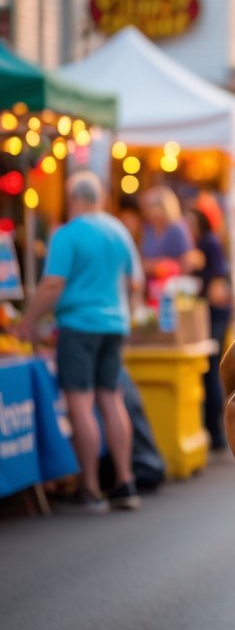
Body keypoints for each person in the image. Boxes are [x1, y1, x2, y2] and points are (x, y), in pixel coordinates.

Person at [14, 171, 144, 513]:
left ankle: (90, 487)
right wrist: (124, 314)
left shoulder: (67, 234)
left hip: (78, 327)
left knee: (81, 403)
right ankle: (125, 480)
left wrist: (27, 321)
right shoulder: (118, 230)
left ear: (73, 199)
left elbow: (52, 284)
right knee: (111, 399)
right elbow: (135, 283)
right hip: (114, 326)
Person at [184, 205, 231, 450]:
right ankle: (213, 430)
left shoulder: (208, 243)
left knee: (211, 369)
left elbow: (215, 283)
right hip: (212, 313)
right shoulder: (203, 244)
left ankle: (215, 431)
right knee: (210, 370)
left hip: (213, 314)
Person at [138, 186, 194, 297]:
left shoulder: (177, 229)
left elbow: (187, 260)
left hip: (173, 288)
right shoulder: (148, 229)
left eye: (151, 206)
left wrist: (164, 266)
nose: (147, 211)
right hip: (152, 288)